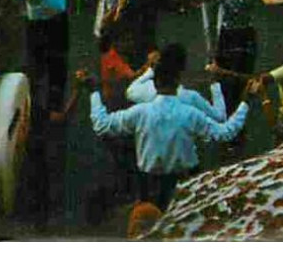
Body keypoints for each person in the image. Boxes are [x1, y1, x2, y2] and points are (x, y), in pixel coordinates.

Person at [87, 43, 248, 209]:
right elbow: (225, 131)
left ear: (155, 83)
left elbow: (102, 124)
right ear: (178, 79)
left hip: (149, 185)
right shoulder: (190, 111)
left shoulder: (141, 110)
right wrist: (244, 101)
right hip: (186, 183)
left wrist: (94, 91)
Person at [16, 0, 101, 117]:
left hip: (59, 23)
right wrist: (25, 13)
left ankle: (55, 108)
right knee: (36, 69)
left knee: (59, 66)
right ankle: (33, 111)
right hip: (37, 27)